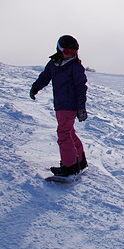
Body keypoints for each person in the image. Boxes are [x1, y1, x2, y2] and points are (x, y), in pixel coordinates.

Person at [30, 35, 88, 177]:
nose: (70, 55)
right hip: (60, 105)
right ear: (59, 49)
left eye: (73, 53)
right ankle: (80, 161)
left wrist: (81, 107)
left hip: (70, 105)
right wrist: (35, 88)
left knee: (63, 134)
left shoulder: (75, 66)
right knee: (69, 132)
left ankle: (70, 167)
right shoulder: (53, 64)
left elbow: (81, 87)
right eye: (67, 52)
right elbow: (44, 77)